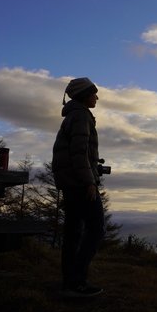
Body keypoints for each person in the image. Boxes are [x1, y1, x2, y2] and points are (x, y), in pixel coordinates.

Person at [51, 77, 106, 298]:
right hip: (79, 183)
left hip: (70, 182)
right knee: (96, 229)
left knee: (73, 231)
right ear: (85, 95)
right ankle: (78, 280)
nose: (97, 97)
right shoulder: (81, 115)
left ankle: (70, 282)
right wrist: (89, 182)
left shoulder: (73, 115)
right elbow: (79, 153)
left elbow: (78, 152)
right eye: (94, 93)